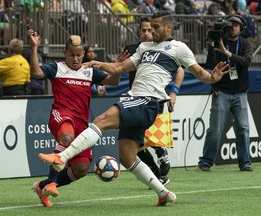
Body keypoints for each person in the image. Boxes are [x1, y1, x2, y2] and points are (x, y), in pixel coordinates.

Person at [38, 11, 228, 206]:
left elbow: (200, 74)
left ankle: (62, 157)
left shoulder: (179, 48)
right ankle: (163, 193)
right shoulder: (144, 47)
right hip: (137, 100)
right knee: (127, 157)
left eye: (155, 27)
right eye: (149, 27)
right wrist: (100, 63)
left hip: (147, 100)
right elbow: (120, 68)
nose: (151, 31)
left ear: (168, 28)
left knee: (101, 120)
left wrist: (212, 78)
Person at [27, 29, 127, 207]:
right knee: (67, 137)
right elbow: (36, 73)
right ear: (65, 53)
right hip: (61, 115)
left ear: (83, 55)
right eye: (72, 55)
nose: (75, 58)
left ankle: (42, 187)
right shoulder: (57, 67)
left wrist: (118, 67)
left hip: (81, 123)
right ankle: (51, 182)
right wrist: (34, 48)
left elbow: (113, 82)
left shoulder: (89, 71)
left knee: (81, 169)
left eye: (79, 55)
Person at [124, 16, 184, 186]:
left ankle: (160, 154)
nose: (147, 33)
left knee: (146, 138)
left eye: (150, 30)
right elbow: (120, 68)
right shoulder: (133, 49)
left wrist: (174, 93)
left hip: (154, 100)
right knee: (137, 144)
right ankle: (157, 173)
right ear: (139, 31)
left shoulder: (165, 48)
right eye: (143, 30)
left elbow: (180, 72)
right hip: (134, 99)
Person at [198, 14, 253, 172]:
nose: (233, 27)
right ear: (227, 27)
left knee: (243, 128)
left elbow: (247, 61)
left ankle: (245, 163)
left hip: (240, 92)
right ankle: (206, 161)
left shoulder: (244, 43)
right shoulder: (219, 42)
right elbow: (210, 65)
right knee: (215, 129)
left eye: (236, 25)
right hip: (221, 91)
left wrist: (227, 53)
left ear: (241, 28)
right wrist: (213, 46)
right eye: (231, 25)